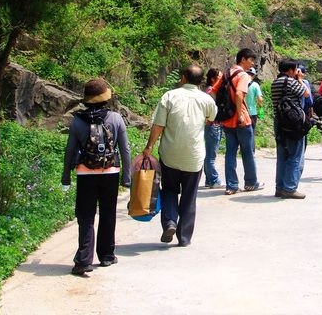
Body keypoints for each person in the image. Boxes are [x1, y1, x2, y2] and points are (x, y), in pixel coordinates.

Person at [142, 65, 217, 248]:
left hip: (170, 155)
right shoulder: (206, 99)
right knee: (189, 196)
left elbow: (159, 124)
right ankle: (184, 237)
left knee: (169, 189)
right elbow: (211, 118)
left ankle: (169, 222)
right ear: (201, 81)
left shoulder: (170, 96)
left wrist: (149, 147)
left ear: (183, 77)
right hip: (194, 156)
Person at [62, 78, 132, 275]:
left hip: (85, 173)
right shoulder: (116, 118)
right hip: (110, 172)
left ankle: (84, 260)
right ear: (106, 98)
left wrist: (65, 176)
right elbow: (125, 149)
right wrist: (127, 177)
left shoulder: (77, 121)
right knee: (108, 213)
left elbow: (70, 150)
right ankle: (107, 255)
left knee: (86, 216)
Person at [211, 48, 263, 195]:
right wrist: (239, 113)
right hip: (242, 120)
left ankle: (231, 186)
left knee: (230, 153)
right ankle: (251, 183)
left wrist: (222, 108)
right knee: (247, 152)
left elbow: (213, 91)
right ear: (243, 60)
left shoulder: (226, 73)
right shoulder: (243, 75)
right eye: (251, 60)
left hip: (227, 120)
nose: (252, 63)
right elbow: (240, 94)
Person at [270, 60, 311, 198]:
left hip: (279, 122)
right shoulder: (293, 82)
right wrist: (299, 79)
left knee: (282, 155)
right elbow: (306, 94)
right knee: (295, 154)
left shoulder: (274, 83)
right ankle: (290, 188)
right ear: (290, 71)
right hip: (293, 122)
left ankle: (280, 187)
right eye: (295, 70)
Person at [203, 68, 223, 189]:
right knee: (211, 154)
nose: (221, 79)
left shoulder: (207, 91)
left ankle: (209, 179)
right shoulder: (211, 91)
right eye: (219, 77)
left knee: (209, 153)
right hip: (213, 125)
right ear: (213, 79)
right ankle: (214, 180)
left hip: (211, 125)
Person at [245, 67, 264, 138]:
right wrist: (261, 110)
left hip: (242, 112)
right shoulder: (255, 85)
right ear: (254, 75)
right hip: (252, 112)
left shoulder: (241, 83)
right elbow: (260, 99)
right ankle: (251, 149)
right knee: (251, 133)